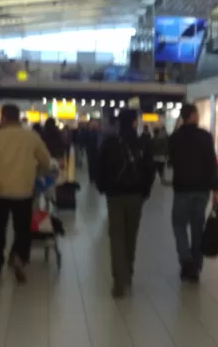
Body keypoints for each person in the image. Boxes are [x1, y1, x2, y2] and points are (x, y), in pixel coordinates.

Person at [0, 104, 52, 283]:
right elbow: (46, 161)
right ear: (19, 117)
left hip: (0, 190)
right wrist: (36, 174)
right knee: (22, 229)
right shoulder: (31, 137)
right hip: (24, 191)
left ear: (3, 117)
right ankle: (19, 257)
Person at [98, 109, 155, 298]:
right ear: (134, 122)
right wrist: (145, 191)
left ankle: (118, 281)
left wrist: (103, 188)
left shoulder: (109, 143)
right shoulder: (142, 143)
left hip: (114, 195)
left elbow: (100, 168)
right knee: (131, 236)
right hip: (135, 195)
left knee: (116, 237)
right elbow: (150, 169)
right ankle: (128, 273)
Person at [167, 105, 218, 282]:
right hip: (201, 191)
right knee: (198, 228)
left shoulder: (175, 138)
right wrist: (216, 190)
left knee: (179, 224)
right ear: (194, 115)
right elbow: (212, 165)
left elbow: (171, 160)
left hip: (182, 189)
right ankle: (196, 267)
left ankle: (186, 260)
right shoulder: (205, 137)